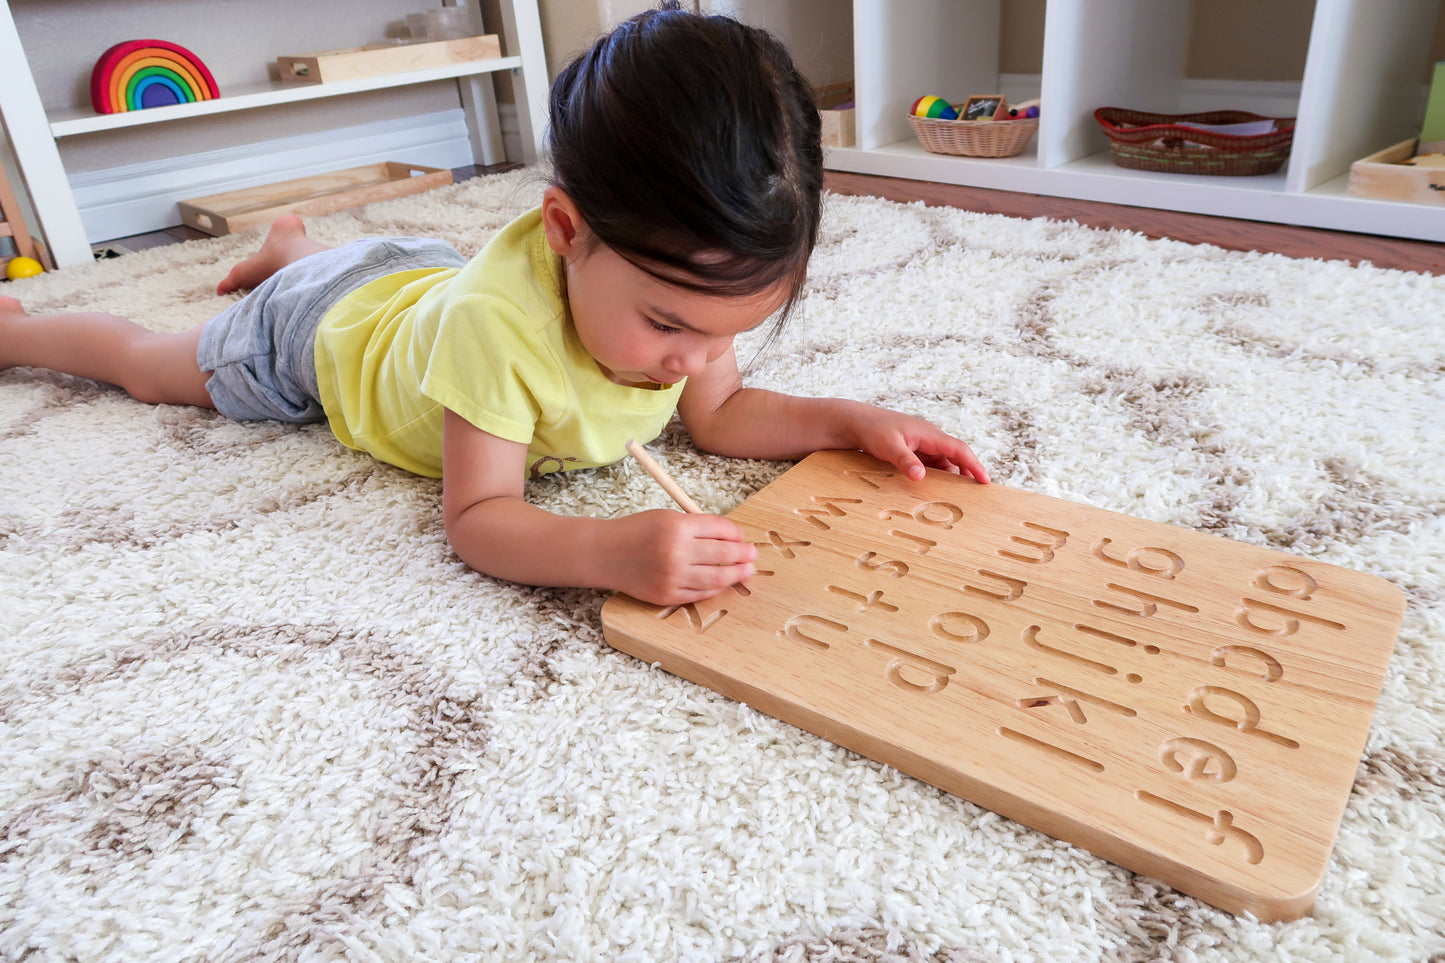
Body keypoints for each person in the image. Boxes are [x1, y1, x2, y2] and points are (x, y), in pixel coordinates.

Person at [0, 3, 988, 606]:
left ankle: (296, 245)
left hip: (416, 272)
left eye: (731, 329)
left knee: (384, 271)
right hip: (314, 339)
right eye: (670, 327)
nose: (694, 361)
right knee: (153, 367)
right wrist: (609, 549)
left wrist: (855, 422)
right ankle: (30, 332)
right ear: (564, 232)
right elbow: (478, 518)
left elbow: (723, 418)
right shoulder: (497, 329)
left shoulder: (680, 300)